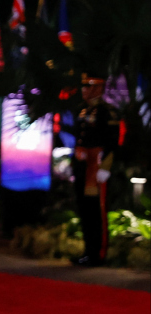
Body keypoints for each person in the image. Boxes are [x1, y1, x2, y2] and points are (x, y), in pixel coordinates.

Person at [71, 72, 119, 267]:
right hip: (83, 166)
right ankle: (87, 251)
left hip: (96, 167)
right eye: (83, 86)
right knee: (85, 209)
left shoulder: (108, 112)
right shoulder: (82, 110)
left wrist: (105, 168)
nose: (84, 90)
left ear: (98, 88)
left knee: (97, 211)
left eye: (88, 86)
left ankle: (98, 253)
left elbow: (112, 143)